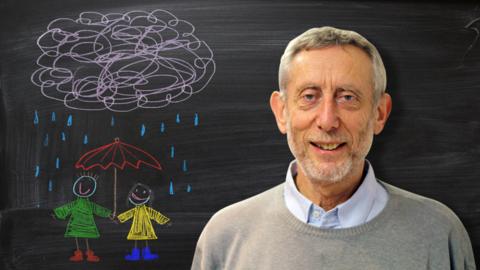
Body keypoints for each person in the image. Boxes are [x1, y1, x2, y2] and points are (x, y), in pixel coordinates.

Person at [191, 26, 476, 269]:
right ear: (281, 112)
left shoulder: (440, 234)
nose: (327, 121)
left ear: (379, 113)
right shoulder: (225, 237)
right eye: (310, 96)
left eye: (348, 97)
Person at [53, 174, 112, 262]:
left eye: (87, 186)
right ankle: (79, 255)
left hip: (85, 224)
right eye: (82, 185)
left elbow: (97, 209)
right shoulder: (76, 203)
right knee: (77, 237)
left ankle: (88, 254)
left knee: (85, 237)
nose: (84, 187)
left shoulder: (88, 204)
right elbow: (67, 208)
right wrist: (57, 213)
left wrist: (108, 214)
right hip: (76, 224)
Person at [117, 183, 170, 261]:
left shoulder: (146, 210)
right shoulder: (137, 210)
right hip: (140, 228)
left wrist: (165, 221)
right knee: (139, 241)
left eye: (143, 193)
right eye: (136, 191)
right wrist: (119, 219)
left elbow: (155, 215)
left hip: (143, 228)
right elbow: (128, 214)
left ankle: (143, 255)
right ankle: (139, 255)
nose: (138, 194)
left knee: (141, 241)